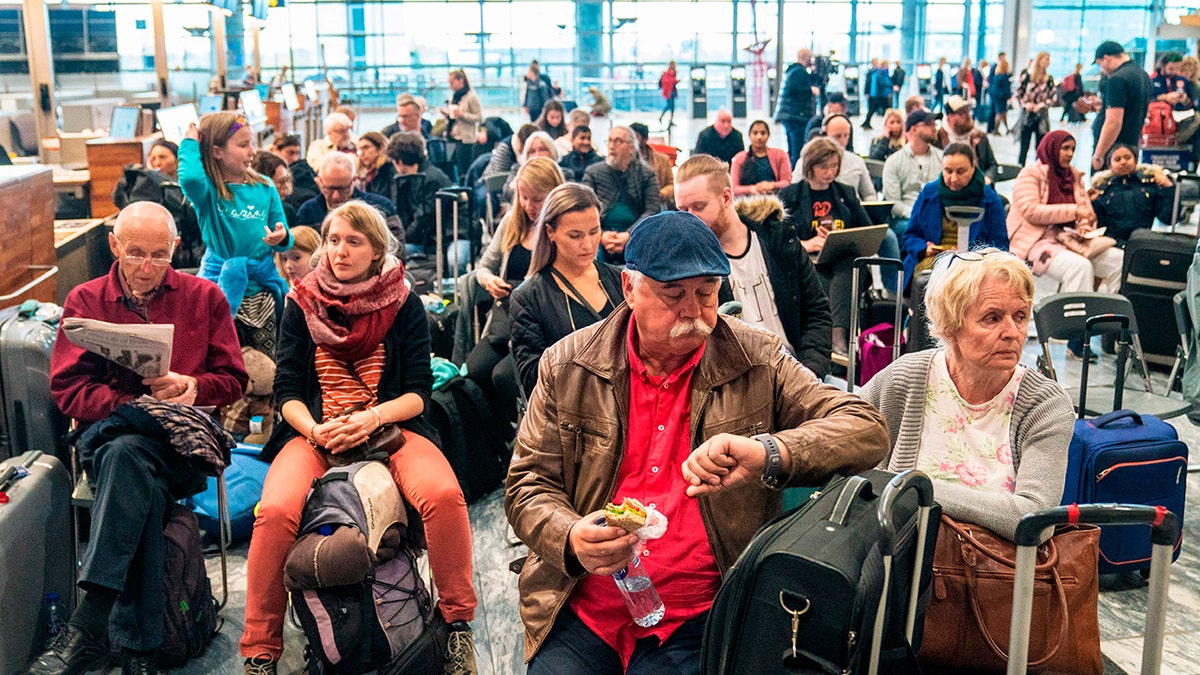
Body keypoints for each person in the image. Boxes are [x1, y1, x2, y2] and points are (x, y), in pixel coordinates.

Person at [505, 209, 888, 673]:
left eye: (706, 293)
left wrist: (769, 451)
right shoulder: (568, 365)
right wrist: (570, 537)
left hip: (701, 613)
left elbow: (866, 427)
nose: (692, 310)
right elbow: (528, 484)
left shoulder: (755, 357)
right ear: (629, 288)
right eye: (672, 294)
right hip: (586, 607)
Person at [240, 201, 477, 675]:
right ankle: (260, 653)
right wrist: (315, 429)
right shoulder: (301, 299)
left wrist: (370, 419)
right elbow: (286, 389)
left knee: (444, 496)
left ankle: (457, 627)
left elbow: (417, 392)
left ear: (376, 250)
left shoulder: (402, 300)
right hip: (316, 432)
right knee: (275, 512)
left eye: (354, 241)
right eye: (333, 240)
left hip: (390, 429)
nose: (340, 251)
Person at [30, 202, 247, 675]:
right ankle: (139, 652)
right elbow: (68, 389)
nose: (147, 267)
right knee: (130, 459)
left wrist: (192, 387)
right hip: (112, 439)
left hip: (181, 444)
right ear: (114, 246)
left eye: (159, 255)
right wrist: (131, 407)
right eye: (135, 254)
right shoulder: (85, 299)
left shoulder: (204, 296)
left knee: (130, 463)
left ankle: (91, 626)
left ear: (174, 248)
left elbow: (233, 379)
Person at [859, 248, 1073, 542]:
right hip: (898, 566)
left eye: (1020, 316)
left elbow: (1035, 519)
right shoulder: (905, 378)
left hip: (995, 575)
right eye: (992, 318)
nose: (1013, 332)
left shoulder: (1045, 404)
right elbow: (846, 442)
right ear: (951, 323)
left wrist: (912, 489)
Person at [675, 154, 832, 378]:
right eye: (682, 210)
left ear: (726, 197)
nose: (689, 220)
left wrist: (810, 371)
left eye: (698, 207)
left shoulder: (779, 239)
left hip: (798, 371)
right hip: (741, 386)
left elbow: (816, 311)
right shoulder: (686, 266)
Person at [179, 112, 292, 359]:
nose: (252, 151)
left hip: (262, 289)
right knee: (224, 358)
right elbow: (189, 177)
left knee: (267, 361)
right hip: (220, 286)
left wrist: (281, 237)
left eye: (251, 143)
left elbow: (285, 236)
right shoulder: (208, 192)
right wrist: (190, 140)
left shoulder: (264, 186)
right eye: (243, 145)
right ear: (217, 151)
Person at [467, 157, 564, 418]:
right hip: (505, 321)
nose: (529, 206)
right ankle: (495, 437)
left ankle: (521, 429)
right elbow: (483, 266)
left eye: (537, 199)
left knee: (505, 377)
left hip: (539, 328)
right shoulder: (512, 222)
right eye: (524, 197)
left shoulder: (562, 229)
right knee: (474, 370)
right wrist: (488, 280)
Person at [1007, 131, 1123, 343]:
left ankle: (1111, 332)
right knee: (1080, 267)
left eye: (1072, 149)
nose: (1069, 154)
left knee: (1118, 261)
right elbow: (1031, 210)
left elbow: (1086, 212)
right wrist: (1074, 211)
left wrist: (1085, 227)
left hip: (1073, 240)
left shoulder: (1074, 176)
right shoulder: (1030, 174)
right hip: (1037, 241)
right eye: (1064, 148)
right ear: (1051, 148)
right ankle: (1075, 337)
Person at [508, 183, 625, 395]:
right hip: (572, 411)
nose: (589, 245)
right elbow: (531, 379)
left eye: (594, 231)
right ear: (550, 232)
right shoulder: (529, 297)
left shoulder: (619, 278)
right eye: (575, 236)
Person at [780, 138, 874, 356]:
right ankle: (834, 339)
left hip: (842, 260)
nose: (830, 172)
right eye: (824, 166)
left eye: (834, 166)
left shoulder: (846, 193)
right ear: (810, 166)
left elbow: (866, 230)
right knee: (824, 280)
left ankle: (835, 335)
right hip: (808, 261)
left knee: (850, 268)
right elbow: (777, 239)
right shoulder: (790, 196)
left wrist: (840, 238)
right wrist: (805, 244)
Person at [902, 142, 1008, 288]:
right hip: (930, 262)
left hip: (974, 267)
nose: (953, 178)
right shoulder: (928, 193)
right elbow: (909, 236)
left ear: (973, 167)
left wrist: (970, 255)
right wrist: (923, 249)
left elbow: (1000, 246)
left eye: (960, 171)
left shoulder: (990, 199)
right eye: (948, 171)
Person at [386, 131, 472, 274]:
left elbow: (424, 218)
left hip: (455, 235)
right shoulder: (409, 178)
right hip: (429, 239)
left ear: (399, 161)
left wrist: (402, 239)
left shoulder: (432, 179)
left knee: (455, 262)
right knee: (393, 253)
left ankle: (458, 295)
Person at [582, 126, 662, 264]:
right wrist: (601, 235)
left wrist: (629, 235)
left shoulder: (646, 174)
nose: (612, 146)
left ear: (631, 148)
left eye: (618, 141)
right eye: (609, 141)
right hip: (600, 234)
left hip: (637, 233)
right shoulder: (593, 173)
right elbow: (583, 208)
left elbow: (653, 209)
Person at [296, 152, 403, 248]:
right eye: (329, 189)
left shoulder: (381, 207)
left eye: (343, 188)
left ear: (354, 180)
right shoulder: (307, 212)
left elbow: (397, 249)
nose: (336, 196)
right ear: (319, 181)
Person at [1088, 143, 1175, 246]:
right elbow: (1094, 226)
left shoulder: (1149, 186)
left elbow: (1168, 218)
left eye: (1127, 157)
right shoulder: (1102, 191)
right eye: (1117, 159)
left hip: (1141, 244)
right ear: (1109, 166)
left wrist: (1169, 187)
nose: (1123, 162)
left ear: (1136, 160)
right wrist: (1089, 202)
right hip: (1110, 244)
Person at [1086, 41, 1152, 172]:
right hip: (1130, 147)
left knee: (1103, 189)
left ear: (1107, 58)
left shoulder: (1117, 79)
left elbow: (1114, 122)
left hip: (1114, 151)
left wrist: (1099, 155)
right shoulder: (1142, 75)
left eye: (1100, 64)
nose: (1101, 70)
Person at [883, 109, 943, 240]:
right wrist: (917, 215)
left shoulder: (942, 158)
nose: (934, 128)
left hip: (937, 216)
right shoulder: (894, 161)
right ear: (914, 129)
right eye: (929, 124)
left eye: (935, 124)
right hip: (906, 218)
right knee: (913, 230)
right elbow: (893, 202)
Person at [792, 114, 877, 201]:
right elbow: (794, 193)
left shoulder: (857, 161)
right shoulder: (805, 161)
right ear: (825, 135)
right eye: (837, 136)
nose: (843, 140)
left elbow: (869, 194)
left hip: (852, 209)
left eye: (846, 135)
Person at [936, 95, 999, 183]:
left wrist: (987, 179)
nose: (966, 116)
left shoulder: (979, 137)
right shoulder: (938, 137)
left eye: (967, 111)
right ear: (949, 117)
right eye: (961, 113)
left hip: (977, 186)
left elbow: (992, 165)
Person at [776, 49, 820, 167]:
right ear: (807, 58)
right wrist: (810, 90)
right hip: (796, 117)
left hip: (789, 116)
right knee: (797, 150)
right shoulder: (799, 72)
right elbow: (796, 90)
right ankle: (795, 174)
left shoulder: (792, 70)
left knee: (792, 149)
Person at [1015, 52, 1056, 166]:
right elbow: (1019, 94)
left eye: (1048, 60)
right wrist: (1026, 104)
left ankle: (1038, 171)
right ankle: (1020, 170)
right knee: (1024, 145)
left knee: (1040, 146)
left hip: (1041, 116)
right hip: (1027, 115)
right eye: (1046, 59)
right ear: (1039, 60)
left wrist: (1041, 105)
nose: (1047, 62)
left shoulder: (1049, 79)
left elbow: (1053, 97)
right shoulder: (1027, 76)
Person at [730, 120, 792, 195]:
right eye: (755, 133)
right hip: (746, 201)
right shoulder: (739, 158)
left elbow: (786, 183)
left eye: (763, 133)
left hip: (776, 199)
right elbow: (734, 188)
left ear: (768, 135)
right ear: (749, 136)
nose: (759, 137)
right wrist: (752, 189)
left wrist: (771, 185)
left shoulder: (781, 155)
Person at [443, 69, 483, 180]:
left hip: (465, 139)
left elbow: (479, 117)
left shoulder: (471, 97)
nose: (450, 86)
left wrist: (462, 114)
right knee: (451, 167)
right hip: (452, 137)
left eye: (452, 82)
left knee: (465, 171)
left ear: (461, 80)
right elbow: (453, 118)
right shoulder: (453, 98)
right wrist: (447, 115)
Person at [630, 122, 675, 207]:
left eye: (636, 137)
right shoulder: (624, 161)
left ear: (645, 139)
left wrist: (661, 194)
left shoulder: (662, 160)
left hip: (657, 201)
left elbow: (671, 184)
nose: (632, 141)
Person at [251, 151, 300, 228]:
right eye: (281, 182)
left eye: (287, 180)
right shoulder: (249, 213)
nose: (286, 186)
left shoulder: (288, 211)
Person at [354, 131, 396, 198]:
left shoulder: (389, 169)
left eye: (366, 148)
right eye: (359, 150)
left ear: (380, 148)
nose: (361, 154)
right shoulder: (365, 174)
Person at [863, 59, 892, 130]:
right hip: (880, 95)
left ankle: (866, 122)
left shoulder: (875, 72)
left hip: (877, 94)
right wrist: (890, 87)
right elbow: (880, 83)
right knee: (886, 109)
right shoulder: (879, 72)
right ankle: (890, 123)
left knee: (873, 109)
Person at [989, 53, 1012, 135]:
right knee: (1000, 113)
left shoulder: (996, 75)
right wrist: (1009, 97)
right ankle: (996, 130)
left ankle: (1007, 129)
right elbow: (1006, 88)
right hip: (1002, 97)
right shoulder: (1004, 77)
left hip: (996, 96)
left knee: (1002, 113)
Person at [659, 61, 679, 125]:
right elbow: (668, 82)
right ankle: (661, 117)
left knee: (672, 106)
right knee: (669, 105)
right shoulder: (667, 73)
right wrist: (675, 81)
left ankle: (670, 120)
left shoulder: (674, 73)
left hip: (672, 91)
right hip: (668, 92)